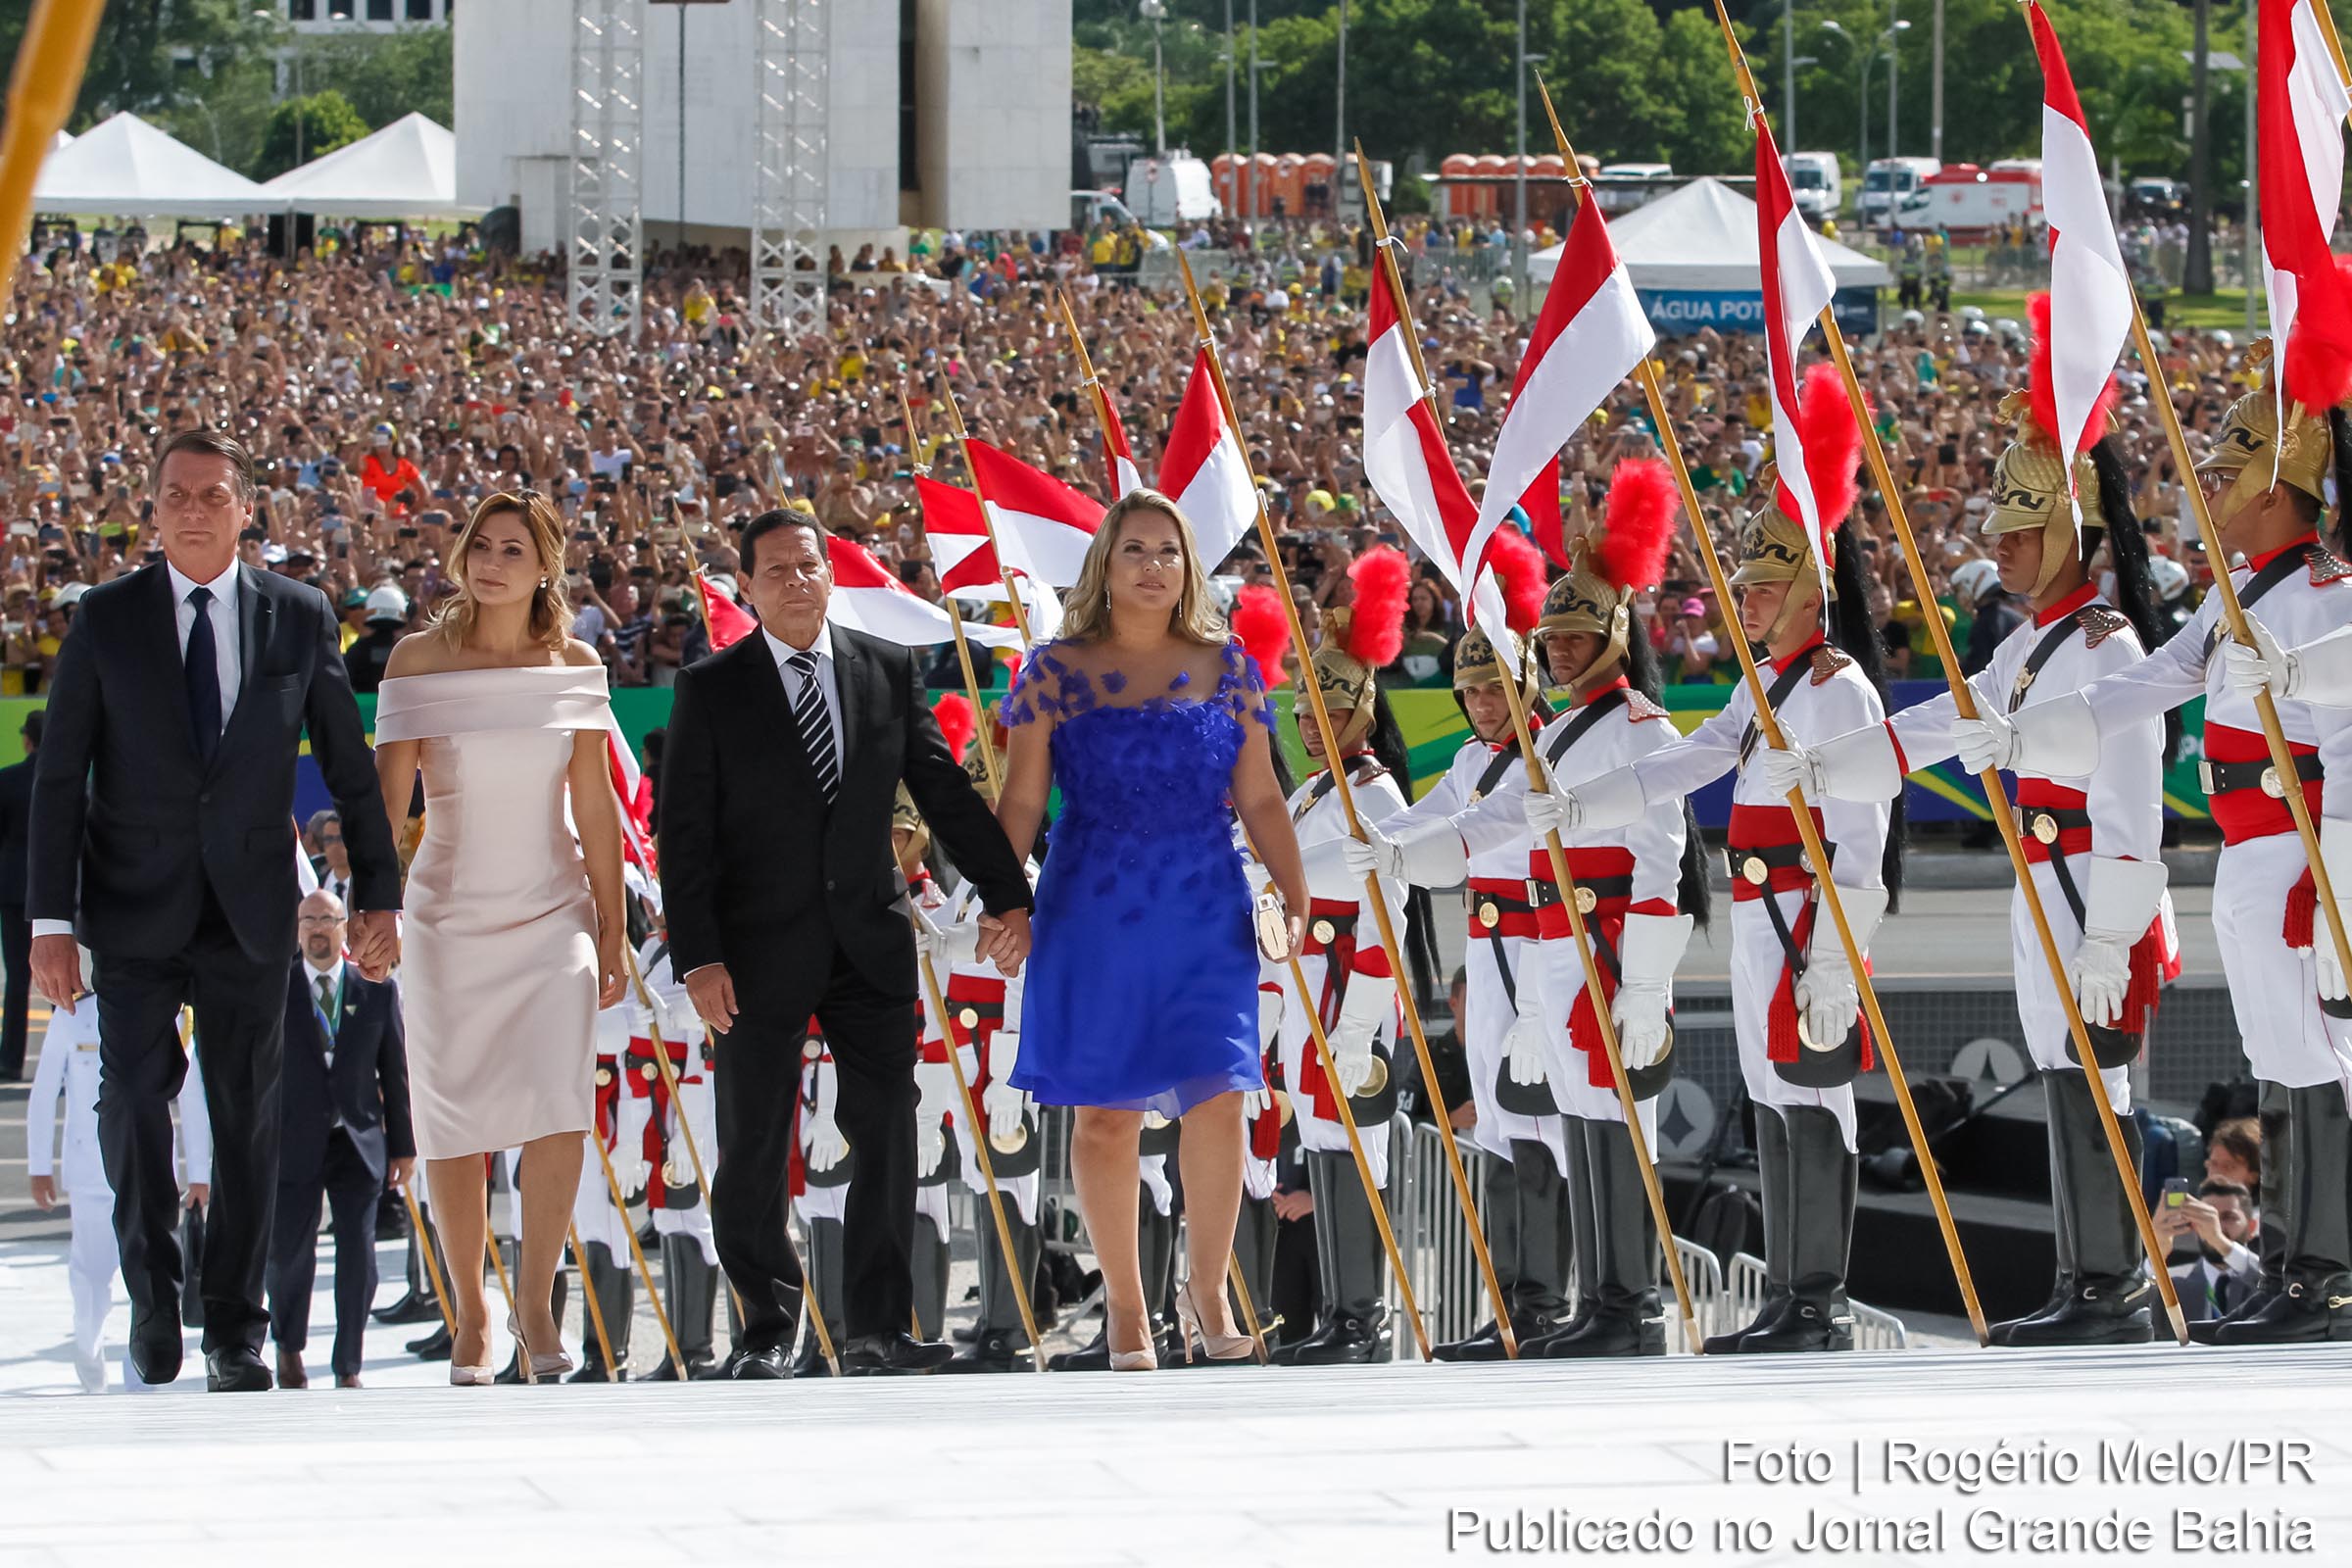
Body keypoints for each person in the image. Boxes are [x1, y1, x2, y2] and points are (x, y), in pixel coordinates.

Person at [1764, 349, 2180, 1348]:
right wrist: (1831, 768)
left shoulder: (2107, 644)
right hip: (2041, 879)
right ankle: (2084, 1273)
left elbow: (2132, 801)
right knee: (2060, 1066)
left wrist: (2112, 934)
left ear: (2064, 532)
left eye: (2020, 537)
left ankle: (2111, 1283)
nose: (2003, 556)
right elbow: (1932, 732)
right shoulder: (2025, 648)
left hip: (2087, 883)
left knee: (2099, 1072)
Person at [1964, 335, 2352, 1345]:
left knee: (2323, 1062)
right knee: (2280, 1063)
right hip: (2246, 852)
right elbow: (2132, 692)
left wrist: (2338, 881)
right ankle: (2297, 1272)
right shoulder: (2238, 600)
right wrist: (2021, 733)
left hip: (2307, 851)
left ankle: (2329, 1277)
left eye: (2229, 473)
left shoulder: (2325, 590)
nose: (2210, 486)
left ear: (2279, 487)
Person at [27, 427, 402, 1394]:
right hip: (130, 907)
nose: (195, 509)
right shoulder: (105, 619)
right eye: (177, 494)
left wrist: (379, 894)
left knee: (247, 1122)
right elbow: (60, 777)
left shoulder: (297, 614)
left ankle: (234, 1326)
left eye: (214, 493)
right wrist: (49, 923)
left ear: (246, 509)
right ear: (152, 509)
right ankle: (155, 1302)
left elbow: (350, 770)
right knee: (130, 1109)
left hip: (251, 911)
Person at [1544, 377, 1899, 1356]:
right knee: (1775, 1096)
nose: (1743, 603)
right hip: (1758, 908)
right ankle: (1788, 1291)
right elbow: (1691, 760)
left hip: (1808, 918)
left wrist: (1835, 963)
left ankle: (1816, 1300)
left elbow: (1863, 838)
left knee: (1816, 1094)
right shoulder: (1762, 685)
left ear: (1806, 596)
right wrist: (1586, 802)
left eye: (1758, 589)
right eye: (1739, 589)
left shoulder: (1839, 689)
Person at [660, 508, 1033, 1379]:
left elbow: (942, 795)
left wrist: (1011, 896)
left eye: (809, 566)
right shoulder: (711, 688)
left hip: (869, 943)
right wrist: (698, 956)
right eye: (777, 571)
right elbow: (685, 836)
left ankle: (875, 1326)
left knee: (888, 1132)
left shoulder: (886, 670)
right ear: (746, 588)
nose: (797, 582)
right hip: (753, 956)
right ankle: (766, 1327)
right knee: (753, 1141)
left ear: (832, 575)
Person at [997, 489, 1307, 1372]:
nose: (1153, 566)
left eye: (1168, 551)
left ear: (1188, 567)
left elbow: (1260, 795)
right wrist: (1000, 896)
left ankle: (1207, 1294)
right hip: (1091, 909)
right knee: (1105, 1117)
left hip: (1207, 908)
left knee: (1218, 1098)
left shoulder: (1231, 665)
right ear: (1105, 563)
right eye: (1135, 549)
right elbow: (1022, 800)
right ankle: (1127, 1311)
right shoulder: (1052, 669)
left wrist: (1293, 887)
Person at [370, 489, 628, 1386]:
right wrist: (378, 907)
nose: (490, 562)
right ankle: (470, 1308)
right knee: (452, 1114)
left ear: (544, 566)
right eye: (481, 545)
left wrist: (613, 923)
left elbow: (595, 806)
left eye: (512, 549)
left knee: (559, 1098)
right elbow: (384, 804)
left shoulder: (577, 663)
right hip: (445, 917)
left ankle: (534, 1301)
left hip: (554, 913)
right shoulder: (414, 660)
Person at [1269, 548, 1416, 1367]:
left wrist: (1360, 1024)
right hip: (1304, 986)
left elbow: (1385, 919)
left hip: (1346, 991)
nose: (1307, 722)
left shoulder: (1376, 794)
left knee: (1358, 1149)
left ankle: (1364, 1318)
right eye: (1301, 709)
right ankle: (1338, 1309)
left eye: (1324, 709)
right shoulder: (1312, 793)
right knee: (1326, 1145)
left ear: (1360, 714)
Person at [26, 974, 212, 1394]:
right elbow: (42, 1093)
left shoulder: (168, 1017)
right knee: (91, 1280)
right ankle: (89, 1354)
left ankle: (144, 1371)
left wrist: (199, 1171)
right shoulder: (73, 1016)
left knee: (148, 1273)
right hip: (90, 1172)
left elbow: (191, 1095)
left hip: (149, 1172)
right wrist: (40, 1166)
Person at [270, 888, 415, 1390]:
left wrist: (404, 1145)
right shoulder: (276, 990)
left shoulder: (374, 990)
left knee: (360, 1255)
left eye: (326, 919)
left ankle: (348, 1362)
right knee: (289, 1251)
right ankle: (289, 1348)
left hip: (357, 1140)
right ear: (296, 928)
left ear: (342, 928)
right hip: (293, 1140)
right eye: (307, 919)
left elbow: (394, 1071)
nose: (316, 929)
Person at [0, 710, 40, 1080]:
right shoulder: (76, 781)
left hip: (13, 890)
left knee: (17, 979)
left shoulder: (7, 780)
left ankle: (11, 1060)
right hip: (60, 894)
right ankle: (69, 1063)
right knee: (67, 981)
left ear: (27, 740)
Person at [2162, 1178, 2262, 1322]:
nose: (2217, 1226)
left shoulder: (2267, 1278)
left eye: (2228, 1217)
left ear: (2251, 1228)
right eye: (2207, 1217)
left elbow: (2274, 1284)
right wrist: (2157, 1250)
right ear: (2194, 1225)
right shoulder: (2174, 1284)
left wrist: (2219, 1240)